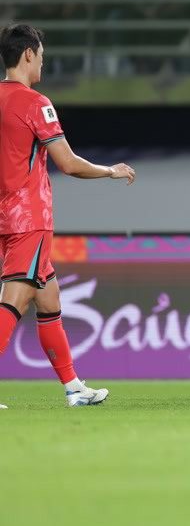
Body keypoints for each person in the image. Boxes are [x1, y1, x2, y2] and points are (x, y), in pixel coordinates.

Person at [0, 24, 136, 408]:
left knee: (49, 302)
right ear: (28, 54)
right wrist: (110, 171)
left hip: (5, 216)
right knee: (14, 301)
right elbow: (68, 163)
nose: (43, 63)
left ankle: (74, 388)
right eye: (41, 56)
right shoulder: (34, 103)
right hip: (29, 218)